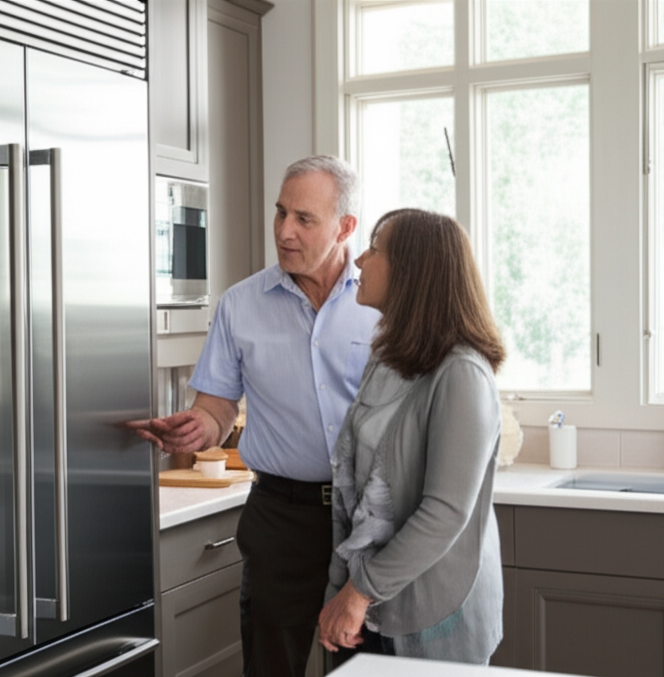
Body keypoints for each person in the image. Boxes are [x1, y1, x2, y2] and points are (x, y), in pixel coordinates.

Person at [128, 156, 380, 677]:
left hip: (367, 517)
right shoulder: (240, 304)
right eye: (280, 213)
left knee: (368, 669)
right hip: (280, 517)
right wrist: (197, 427)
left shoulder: (384, 302)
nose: (285, 231)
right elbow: (217, 408)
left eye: (304, 219)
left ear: (345, 227)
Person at [318, 208, 506, 665]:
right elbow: (358, 489)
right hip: (369, 605)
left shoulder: (461, 373)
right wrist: (343, 589)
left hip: (433, 615)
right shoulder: (389, 359)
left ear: (412, 272)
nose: (359, 260)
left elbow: (444, 512)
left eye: (375, 249)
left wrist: (359, 593)